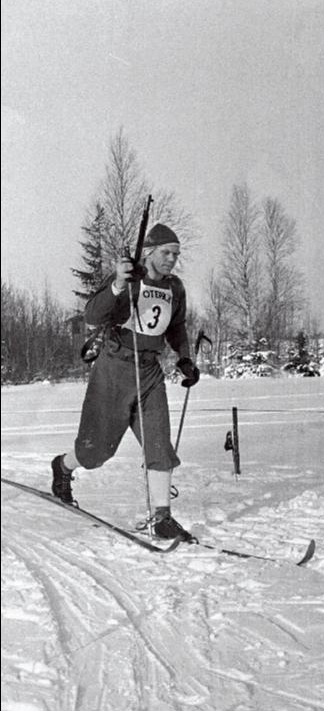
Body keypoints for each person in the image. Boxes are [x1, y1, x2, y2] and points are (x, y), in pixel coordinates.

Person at [51, 223, 200, 539]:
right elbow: (93, 314)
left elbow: (177, 326)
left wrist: (185, 358)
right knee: (96, 452)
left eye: (175, 254)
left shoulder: (175, 287)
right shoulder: (129, 280)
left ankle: (162, 517)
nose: (171, 259)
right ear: (149, 252)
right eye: (165, 252)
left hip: (149, 373)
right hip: (114, 369)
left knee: (159, 444)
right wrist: (118, 282)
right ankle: (63, 467)